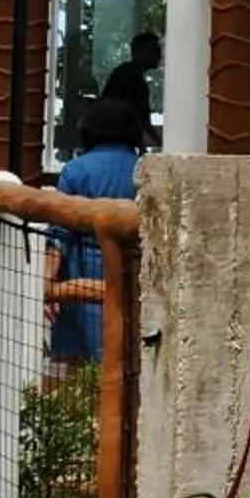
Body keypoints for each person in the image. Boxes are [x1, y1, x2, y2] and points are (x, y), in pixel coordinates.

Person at [45, 96, 142, 365]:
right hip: (132, 273)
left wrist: (48, 285)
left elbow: (58, 236)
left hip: (82, 275)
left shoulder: (75, 171)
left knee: (80, 365)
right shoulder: (144, 169)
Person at [99, 28, 162, 143]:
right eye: (155, 50)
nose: (159, 56)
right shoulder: (129, 77)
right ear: (141, 51)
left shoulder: (129, 75)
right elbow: (139, 117)